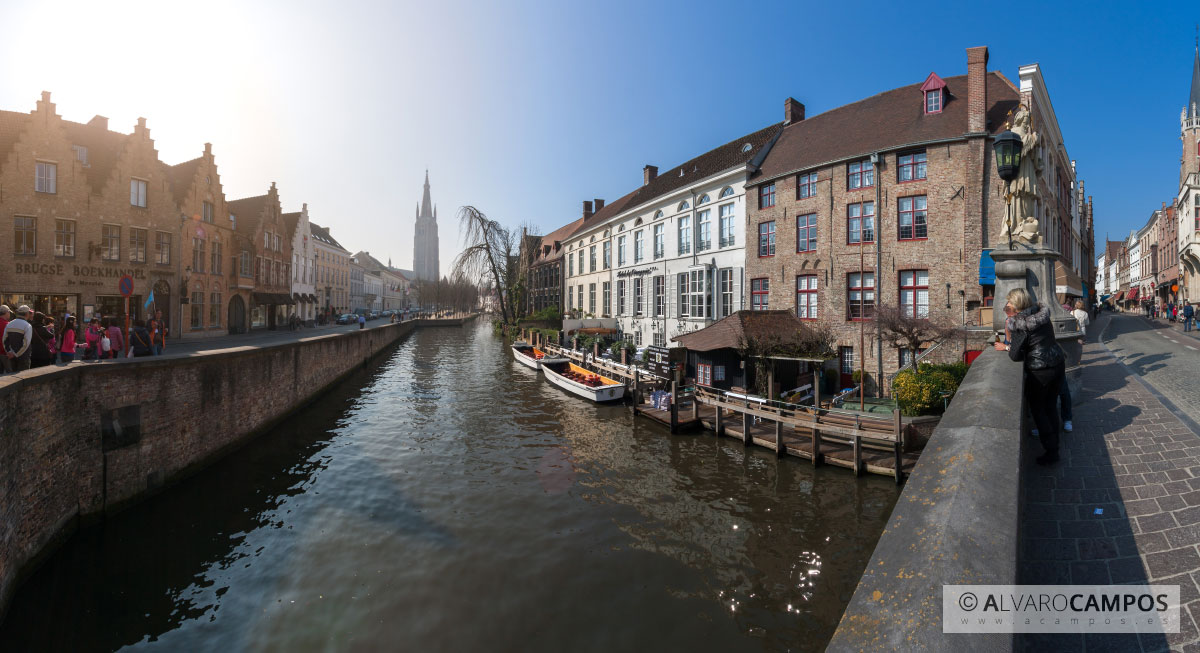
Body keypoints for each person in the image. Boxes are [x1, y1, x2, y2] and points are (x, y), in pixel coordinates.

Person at [995, 289, 1065, 465]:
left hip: (1040, 370)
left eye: (1009, 303)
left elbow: (1015, 355)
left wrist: (1005, 346)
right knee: (1050, 407)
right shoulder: (1041, 315)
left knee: (1039, 411)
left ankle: (1051, 452)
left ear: (1017, 305)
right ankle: (1055, 445)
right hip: (1056, 363)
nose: (1007, 305)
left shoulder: (1021, 324)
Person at [3, 305, 34, 372]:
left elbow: (5, 340)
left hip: (11, 356)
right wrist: (16, 354)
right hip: (23, 357)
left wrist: (9, 352)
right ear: (27, 314)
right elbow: (26, 343)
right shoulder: (27, 326)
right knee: (24, 377)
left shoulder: (9, 324)